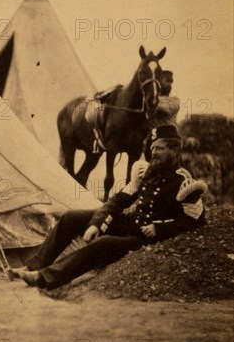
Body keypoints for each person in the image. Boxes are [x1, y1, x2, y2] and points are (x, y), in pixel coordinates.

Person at [11, 125, 207, 298]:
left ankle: (43, 278)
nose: (153, 152)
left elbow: (195, 221)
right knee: (72, 217)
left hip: (145, 239)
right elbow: (117, 201)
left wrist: (159, 228)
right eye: (152, 148)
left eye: (159, 148)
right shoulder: (148, 172)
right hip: (130, 225)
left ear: (174, 151)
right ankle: (33, 266)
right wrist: (97, 223)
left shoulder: (184, 181)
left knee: (105, 243)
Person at [144, 70, 180, 161]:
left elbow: (167, 110)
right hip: (153, 140)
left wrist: (149, 101)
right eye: (166, 81)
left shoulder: (174, 100)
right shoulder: (149, 100)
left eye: (170, 82)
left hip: (170, 139)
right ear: (157, 83)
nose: (169, 85)